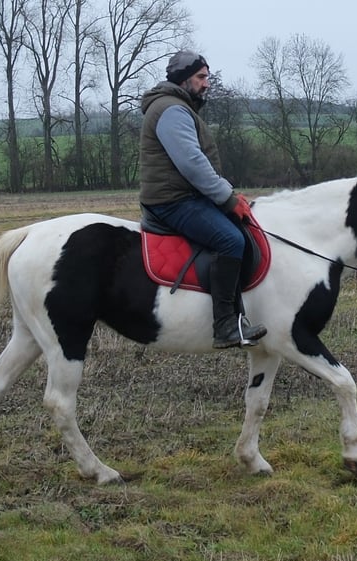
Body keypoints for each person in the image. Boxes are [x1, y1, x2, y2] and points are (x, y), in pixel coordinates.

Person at [139, 49, 267, 350]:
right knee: (230, 240)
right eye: (201, 77)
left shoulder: (175, 107)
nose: (206, 83)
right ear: (184, 79)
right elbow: (193, 164)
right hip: (172, 202)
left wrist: (226, 193)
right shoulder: (172, 110)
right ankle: (225, 326)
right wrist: (227, 198)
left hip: (180, 196)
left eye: (206, 77)